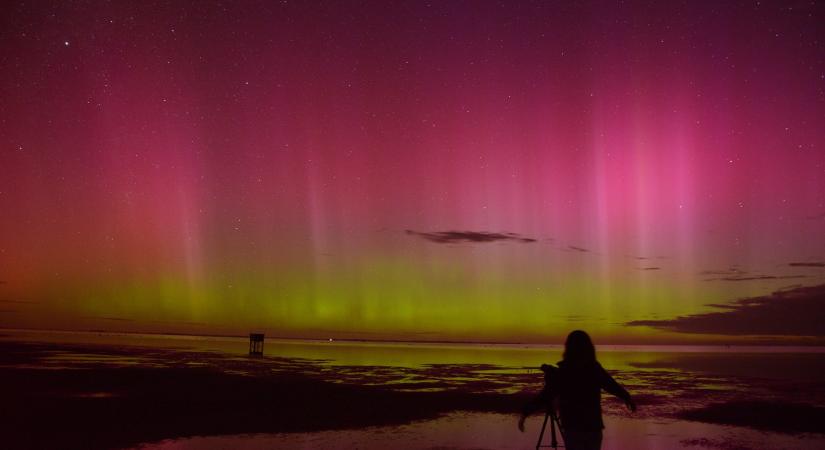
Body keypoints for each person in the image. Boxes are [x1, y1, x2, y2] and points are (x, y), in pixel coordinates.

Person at [518, 330, 636, 450]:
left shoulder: (565, 371)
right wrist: (627, 397)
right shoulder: (593, 368)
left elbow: (546, 396)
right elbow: (611, 385)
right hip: (592, 427)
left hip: (573, 428)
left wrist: (525, 413)